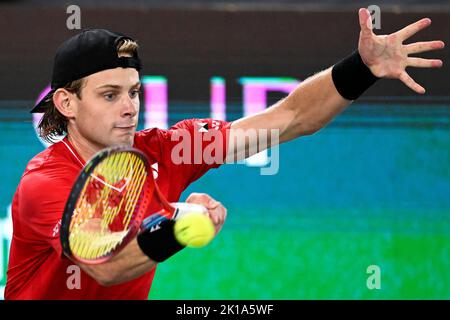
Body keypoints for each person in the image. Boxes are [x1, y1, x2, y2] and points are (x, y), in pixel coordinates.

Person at [5, 8, 444, 299]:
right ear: (66, 103)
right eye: (109, 94)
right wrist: (179, 227)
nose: (129, 107)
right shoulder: (46, 182)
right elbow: (104, 266)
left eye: (135, 92)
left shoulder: (166, 149)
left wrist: (361, 68)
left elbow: (290, 118)